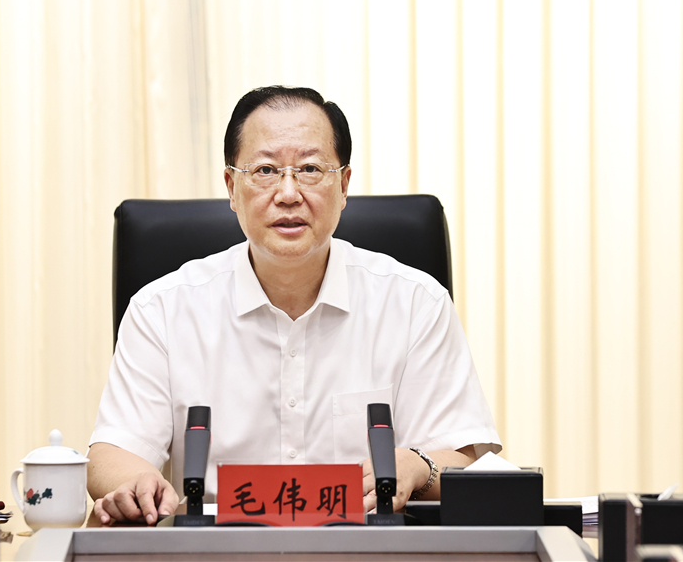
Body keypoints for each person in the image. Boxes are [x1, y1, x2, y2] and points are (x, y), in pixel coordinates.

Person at [87, 86, 500, 526]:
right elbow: (114, 451)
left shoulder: (415, 302)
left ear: (343, 185)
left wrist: (418, 465)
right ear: (232, 187)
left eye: (310, 169)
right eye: (265, 170)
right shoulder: (162, 309)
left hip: (368, 549)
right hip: (217, 551)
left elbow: (464, 458)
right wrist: (136, 481)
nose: (288, 193)